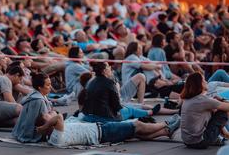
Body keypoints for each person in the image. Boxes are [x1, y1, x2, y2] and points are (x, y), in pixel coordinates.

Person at [36, 111, 180, 147]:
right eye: (48, 115)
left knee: (136, 134)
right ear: (48, 124)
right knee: (138, 125)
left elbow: (58, 118)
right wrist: (43, 127)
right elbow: (59, 117)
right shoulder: (55, 138)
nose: (51, 113)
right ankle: (166, 123)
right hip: (103, 132)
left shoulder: (55, 134)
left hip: (101, 130)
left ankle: (166, 132)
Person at [82, 62, 161, 123]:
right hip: (105, 117)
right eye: (108, 67)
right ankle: (149, 112)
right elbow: (117, 106)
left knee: (128, 109)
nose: (110, 68)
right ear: (104, 71)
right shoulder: (109, 83)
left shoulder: (90, 83)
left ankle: (147, 112)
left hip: (89, 116)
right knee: (130, 110)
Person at [181, 72, 229, 149]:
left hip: (187, 141)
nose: (206, 82)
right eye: (204, 80)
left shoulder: (189, 98)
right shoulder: (202, 100)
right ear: (199, 84)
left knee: (214, 110)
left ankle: (222, 135)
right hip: (200, 142)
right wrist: (222, 99)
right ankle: (223, 135)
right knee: (222, 113)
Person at [12, 73, 53, 143]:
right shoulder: (38, 100)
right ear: (40, 87)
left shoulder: (36, 94)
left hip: (22, 131)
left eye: (50, 84)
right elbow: (30, 121)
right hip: (30, 133)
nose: (50, 87)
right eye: (48, 85)